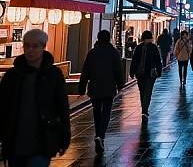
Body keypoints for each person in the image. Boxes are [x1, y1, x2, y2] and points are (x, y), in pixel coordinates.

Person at [0, 29, 71, 166]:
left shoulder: (53, 75)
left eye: (35, 46)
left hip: (42, 141)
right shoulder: (12, 76)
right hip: (15, 142)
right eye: (27, 46)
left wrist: (64, 137)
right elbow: (3, 107)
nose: (30, 50)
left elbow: (62, 107)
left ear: (43, 47)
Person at [79, 30, 123, 154]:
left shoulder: (92, 53)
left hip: (95, 87)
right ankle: (100, 135)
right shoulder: (114, 53)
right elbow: (118, 71)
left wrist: (81, 87)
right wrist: (120, 85)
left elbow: (85, 70)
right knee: (106, 113)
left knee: (96, 112)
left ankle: (98, 134)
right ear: (109, 39)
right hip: (109, 87)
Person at [130, 30, 162, 122]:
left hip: (140, 74)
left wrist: (132, 72)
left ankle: (144, 110)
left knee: (142, 91)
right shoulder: (153, 47)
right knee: (148, 92)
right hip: (150, 74)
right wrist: (159, 71)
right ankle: (144, 111)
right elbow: (158, 60)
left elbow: (134, 61)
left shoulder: (138, 47)